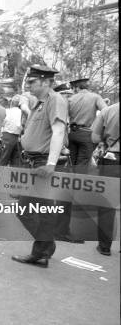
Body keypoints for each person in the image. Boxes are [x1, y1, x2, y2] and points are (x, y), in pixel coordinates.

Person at [12, 65, 67, 268]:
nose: (29, 85)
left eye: (33, 81)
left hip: (43, 163)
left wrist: (51, 164)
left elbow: (58, 131)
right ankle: (42, 252)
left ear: (45, 82)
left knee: (25, 209)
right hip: (35, 161)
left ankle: (45, 248)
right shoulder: (41, 102)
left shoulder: (55, 100)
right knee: (41, 210)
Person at [91, 102, 119, 256]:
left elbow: (94, 138)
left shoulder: (108, 110)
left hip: (112, 158)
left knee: (107, 204)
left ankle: (105, 246)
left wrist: (104, 139)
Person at [67, 78, 107, 166]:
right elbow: (105, 112)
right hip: (87, 134)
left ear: (76, 88)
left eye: (72, 88)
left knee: (72, 163)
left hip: (72, 134)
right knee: (82, 165)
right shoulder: (95, 97)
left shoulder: (70, 99)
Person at [0, 95, 23, 166]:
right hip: (18, 137)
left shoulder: (7, 111)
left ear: (11, 102)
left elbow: (2, 123)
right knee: (16, 160)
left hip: (7, 136)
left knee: (3, 159)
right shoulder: (22, 112)